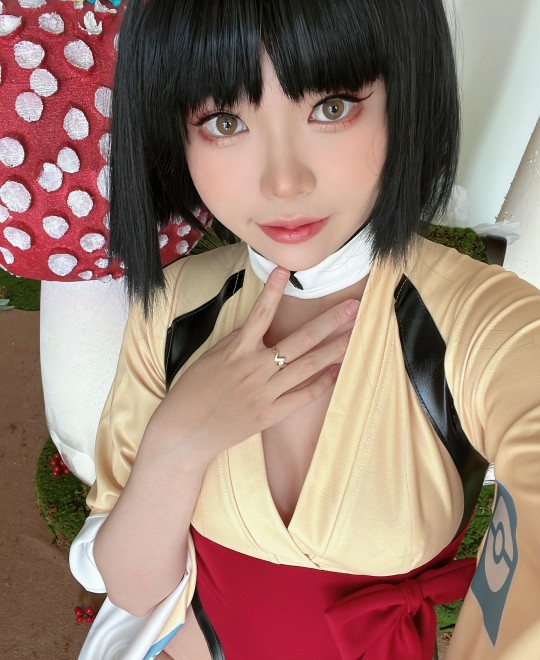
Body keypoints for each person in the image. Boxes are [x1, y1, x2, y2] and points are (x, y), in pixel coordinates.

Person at [69, 0, 540, 658]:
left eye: (332, 107)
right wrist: (176, 445)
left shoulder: (476, 324)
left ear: (404, 95)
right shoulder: (175, 307)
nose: (284, 182)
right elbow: (132, 588)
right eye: (226, 121)